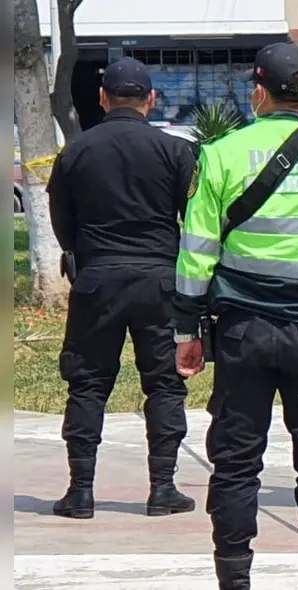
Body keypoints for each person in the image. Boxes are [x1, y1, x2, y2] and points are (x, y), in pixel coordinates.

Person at [172, 42, 298, 589]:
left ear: (258, 90)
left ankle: (235, 579)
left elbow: (196, 252)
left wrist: (186, 330)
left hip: (243, 333)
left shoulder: (220, 155)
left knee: (237, 462)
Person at [46, 56, 198, 520]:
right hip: (160, 282)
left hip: (97, 280)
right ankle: (163, 488)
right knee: (165, 386)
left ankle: (81, 491)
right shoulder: (176, 152)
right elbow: (192, 222)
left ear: (103, 98)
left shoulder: (74, 151)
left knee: (88, 385)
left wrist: (82, 255)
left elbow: (60, 221)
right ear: (150, 100)